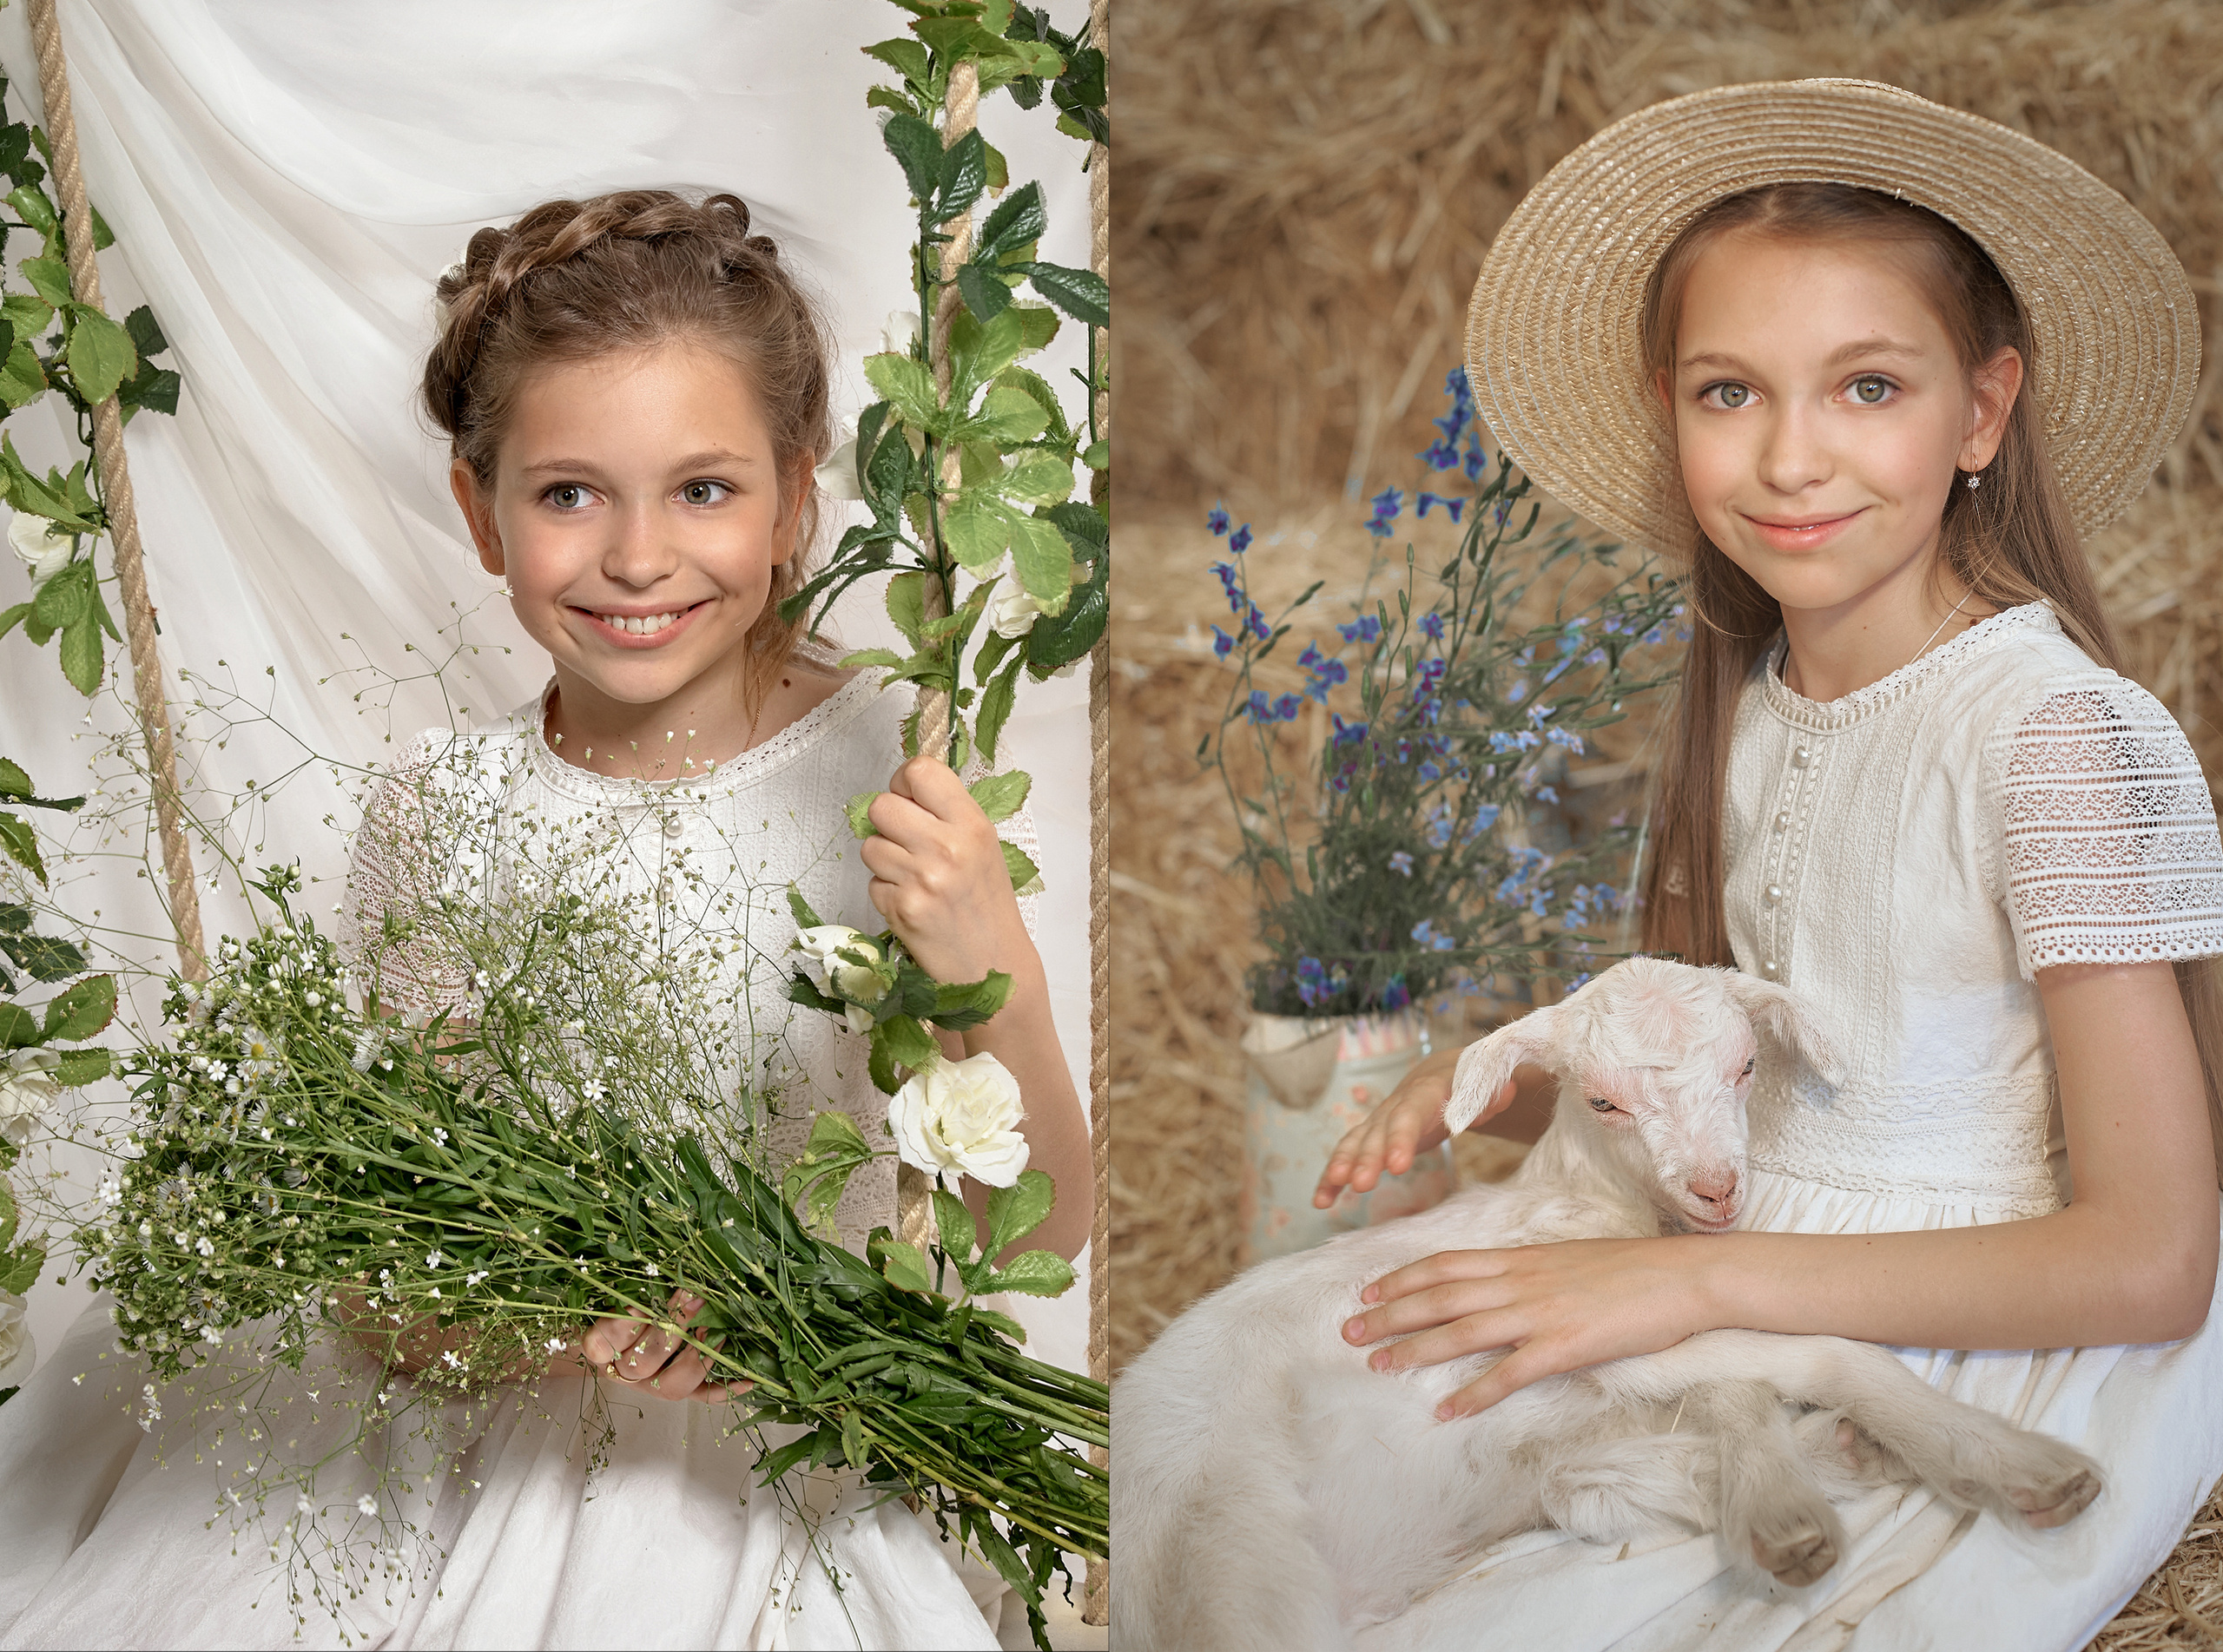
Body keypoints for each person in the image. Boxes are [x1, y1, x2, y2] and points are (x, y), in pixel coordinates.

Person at [0, 189, 1089, 1650]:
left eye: (704, 490)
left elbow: (1047, 1230)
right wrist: (561, 1326)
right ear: (481, 512)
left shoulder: (901, 777)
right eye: (571, 493)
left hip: (777, 1442)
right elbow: (397, 1294)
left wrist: (987, 966)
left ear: (794, 501)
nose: (639, 557)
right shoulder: (438, 822)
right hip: (501, 1432)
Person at [1312, 82, 2223, 1649]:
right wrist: (1513, 1069)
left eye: (1868, 388)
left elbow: (2154, 1262)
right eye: (1732, 394)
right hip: (1734, 1284)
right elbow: (1742, 1055)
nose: (1793, 458)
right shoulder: (1750, 710)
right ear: (1671, 413)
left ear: (1984, 414)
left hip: (1948, 1336)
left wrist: (1691, 1293)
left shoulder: (2057, 736)